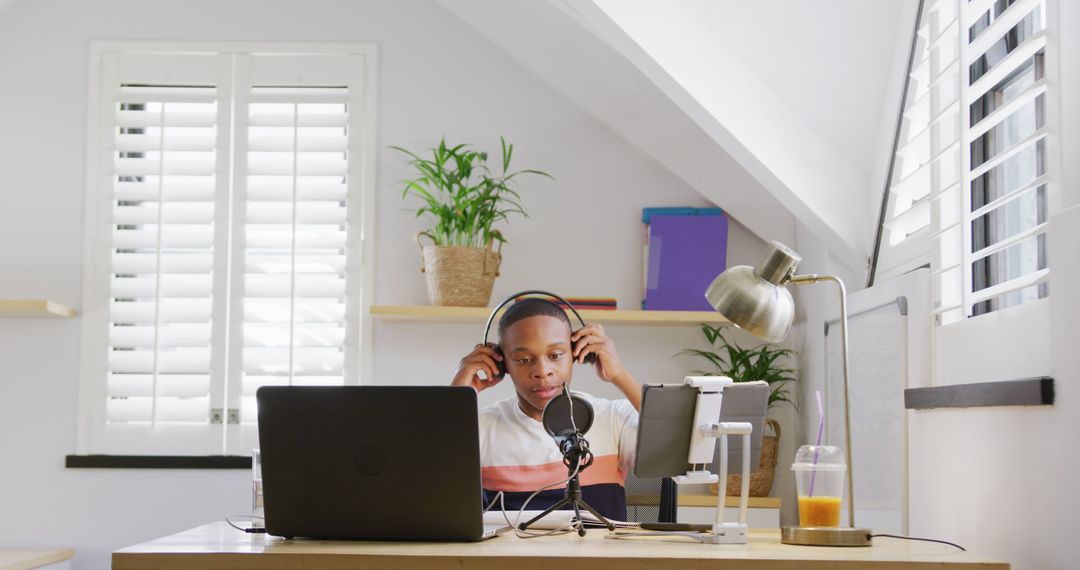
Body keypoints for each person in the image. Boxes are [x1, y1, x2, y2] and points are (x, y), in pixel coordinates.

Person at [451, 297, 642, 521]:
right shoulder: (479, 427)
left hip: (599, 555)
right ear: (503, 365)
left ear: (576, 354)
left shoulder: (613, 418)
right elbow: (427, 479)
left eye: (555, 355)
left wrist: (619, 375)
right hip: (510, 556)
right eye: (523, 359)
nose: (542, 371)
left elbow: (679, 446)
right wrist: (457, 398)